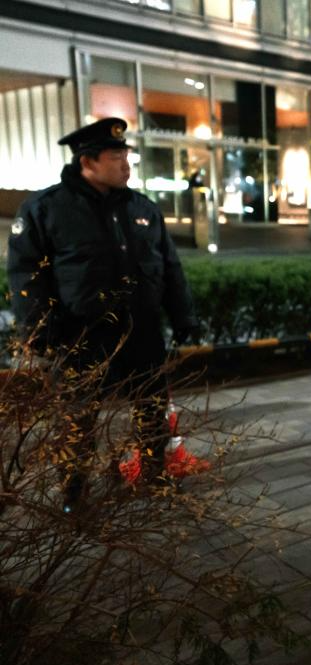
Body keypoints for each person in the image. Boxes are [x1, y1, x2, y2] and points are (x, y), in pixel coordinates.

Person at [6, 117, 199, 512]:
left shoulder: (141, 208)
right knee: (77, 421)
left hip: (141, 333)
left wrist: (184, 318)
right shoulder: (47, 209)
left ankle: (153, 475)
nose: (126, 165)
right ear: (87, 161)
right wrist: (39, 331)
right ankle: (73, 493)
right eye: (116, 157)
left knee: (151, 411)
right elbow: (26, 275)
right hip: (80, 337)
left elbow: (169, 267)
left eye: (127, 156)